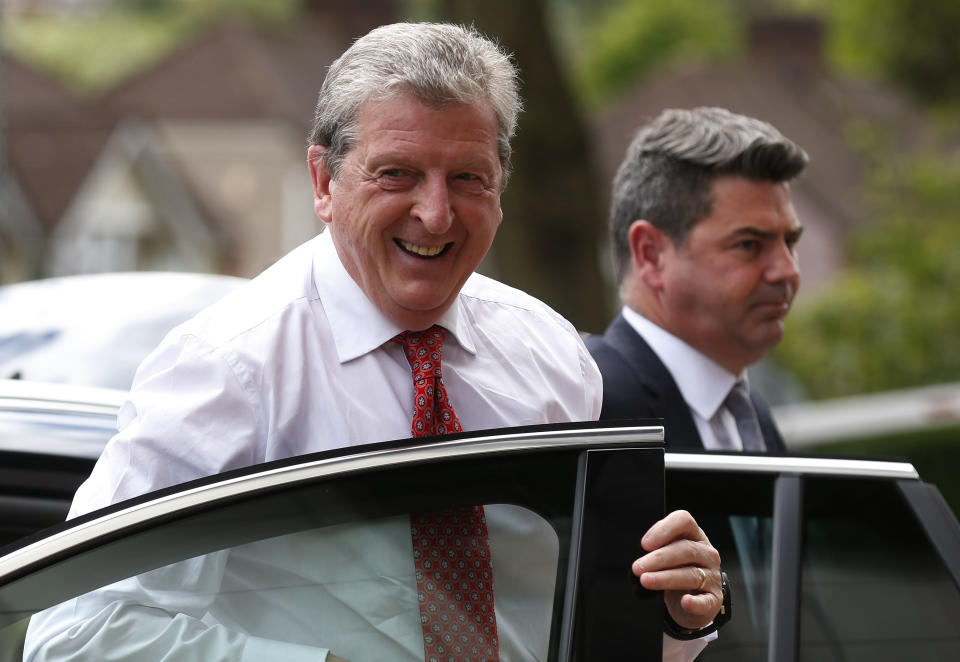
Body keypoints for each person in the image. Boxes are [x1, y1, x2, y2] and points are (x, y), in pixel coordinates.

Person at [25, 24, 724, 662]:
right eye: (397, 174)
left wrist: (675, 621)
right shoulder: (230, 365)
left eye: (467, 178)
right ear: (324, 181)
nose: (435, 212)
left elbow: (581, 628)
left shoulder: (550, 354)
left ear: (502, 187)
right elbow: (76, 633)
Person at [587, 107, 809, 453]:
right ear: (650, 255)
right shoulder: (592, 405)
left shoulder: (750, 413)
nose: (787, 270)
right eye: (749, 245)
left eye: (790, 242)